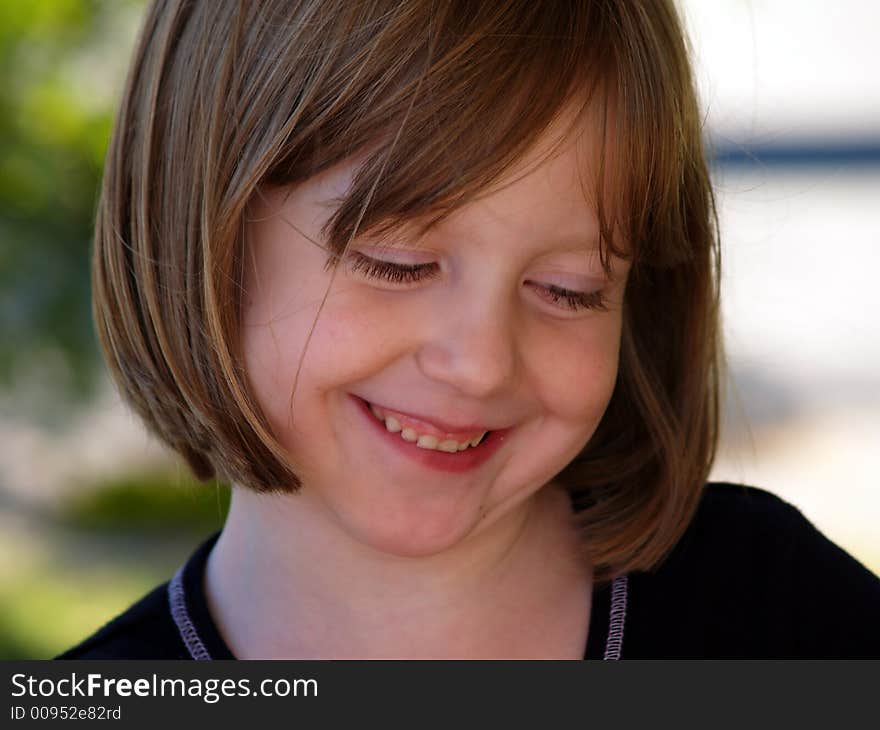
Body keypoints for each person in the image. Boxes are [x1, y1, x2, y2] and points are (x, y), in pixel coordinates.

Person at [56, 0, 879, 660]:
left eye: (568, 289)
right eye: (397, 263)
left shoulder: (778, 612)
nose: (482, 364)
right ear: (201, 233)